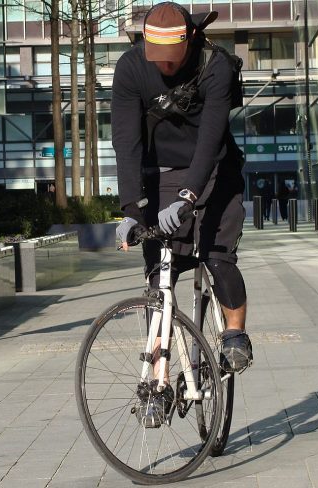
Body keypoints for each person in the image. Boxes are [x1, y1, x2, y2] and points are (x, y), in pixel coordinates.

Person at [112, 2, 252, 382]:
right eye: (158, 58)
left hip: (214, 171)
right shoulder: (130, 68)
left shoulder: (215, 66)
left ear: (189, 38)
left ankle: (234, 334)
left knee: (218, 258)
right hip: (159, 174)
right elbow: (126, 143)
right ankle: (158, 375)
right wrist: (131, 208)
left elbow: (210, 140)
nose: (165, 67)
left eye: (172, 58)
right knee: (158, 278)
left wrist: (189, 196)